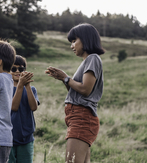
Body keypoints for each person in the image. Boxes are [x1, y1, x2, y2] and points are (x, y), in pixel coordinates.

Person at [45, 23, 104, 163]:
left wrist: (66, 78)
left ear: (85, 39)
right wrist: (63, 79)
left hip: (82, 118)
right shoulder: (87, 61)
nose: (72, 46)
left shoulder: (92, 58)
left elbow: (85, 90)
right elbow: (77, 93)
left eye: (74, 41)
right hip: (78, 117)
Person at [8, 55, 40, 163]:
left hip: (26, 139)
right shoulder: (5, 88)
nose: (17, 71)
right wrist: (20, 85)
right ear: (8, 70)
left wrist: (27, 86)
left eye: (21, 69)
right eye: (13, 69)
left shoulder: (32, 89)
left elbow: (33, 107)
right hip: (7, 138)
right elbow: (14, 107)